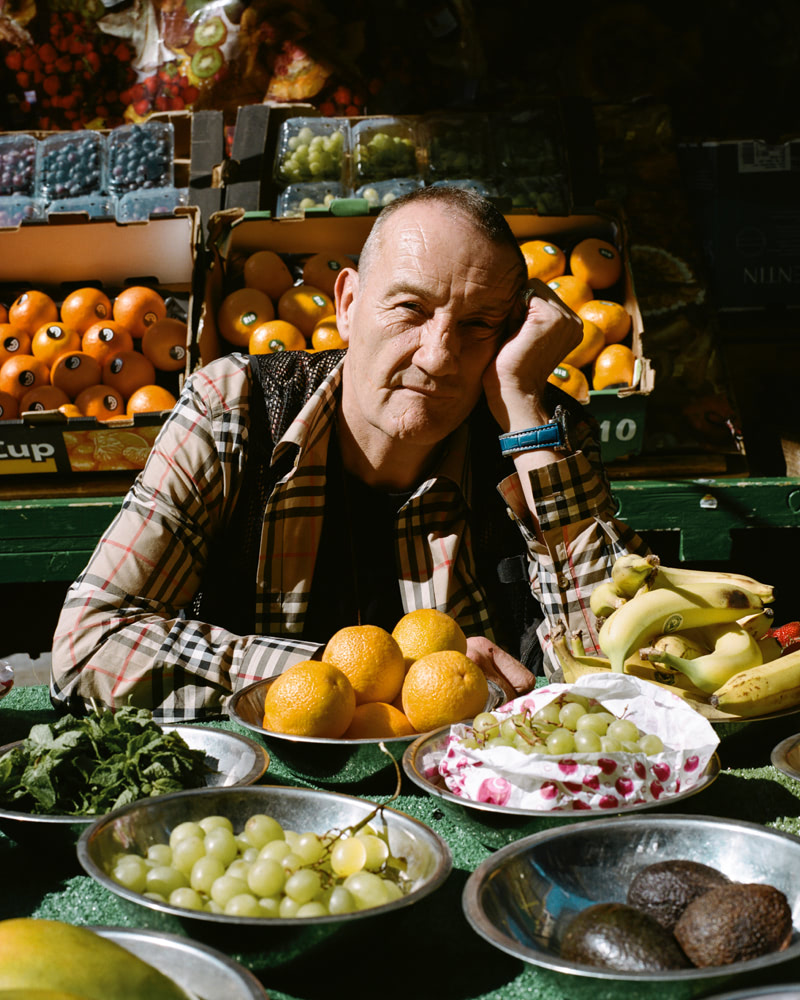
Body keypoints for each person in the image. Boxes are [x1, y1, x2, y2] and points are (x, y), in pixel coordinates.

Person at [50, 186, 648, 721]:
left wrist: (522, 406)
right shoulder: (232, 411)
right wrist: (371, 682)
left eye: (477, 325)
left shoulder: (539, 432)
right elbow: (88, 648)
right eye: (410, 309)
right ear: (347, 302)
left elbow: (627, 672)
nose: (438, 356)